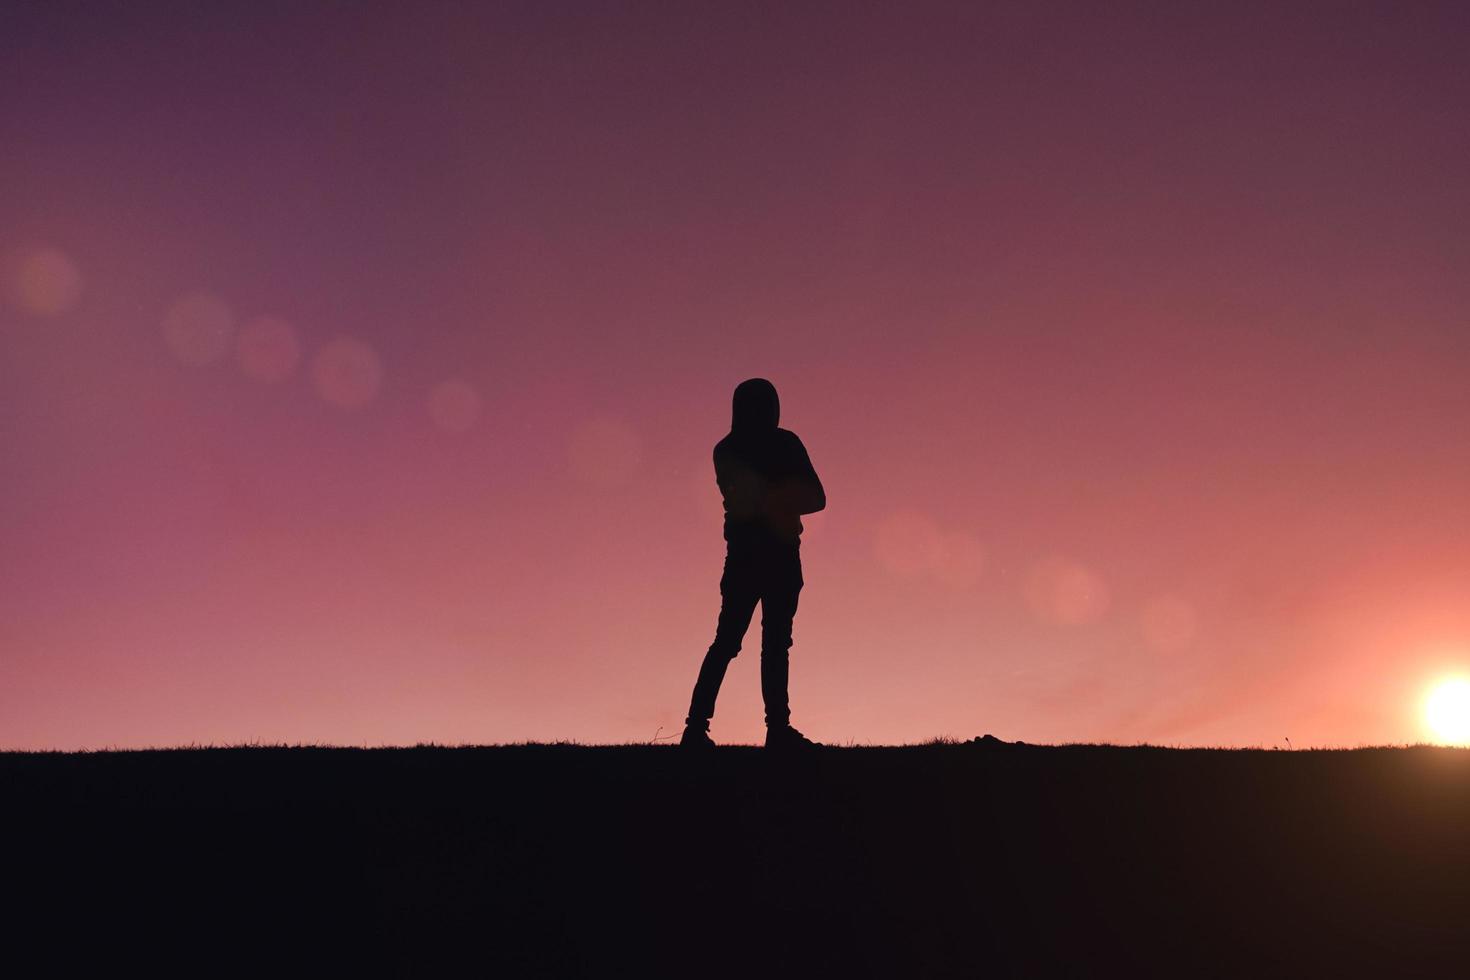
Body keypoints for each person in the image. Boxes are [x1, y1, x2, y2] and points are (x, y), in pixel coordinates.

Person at [681, 378, 826, 750]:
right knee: (736, 642)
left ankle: (770, 729)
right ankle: (699, 728)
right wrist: (780, 496)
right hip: (754, 555)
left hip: (771, 555)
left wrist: (773, 498)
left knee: (764, 643)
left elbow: (815, 497)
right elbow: (763, 498)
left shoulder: (754, 446)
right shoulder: (739, 449)